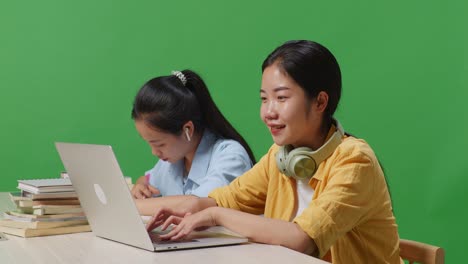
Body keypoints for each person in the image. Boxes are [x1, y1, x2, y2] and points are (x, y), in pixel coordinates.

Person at [145, 40, 401, 263]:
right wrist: (169, 211)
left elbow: (301, 238)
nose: (269, 112)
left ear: (320, 102)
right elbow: (218, 200)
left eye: (281, 98)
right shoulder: (280, 156)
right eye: (264, 99)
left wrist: (214, 216)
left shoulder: (355, 161)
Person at [131, 69, 255, 215]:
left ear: (187, 129)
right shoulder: (174, 159)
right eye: (149, 144)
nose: (154, 152)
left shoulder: (231, 157)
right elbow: (148, 177)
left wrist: (132, 206)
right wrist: (141, 185)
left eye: (159, 144)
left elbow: (195, 205)